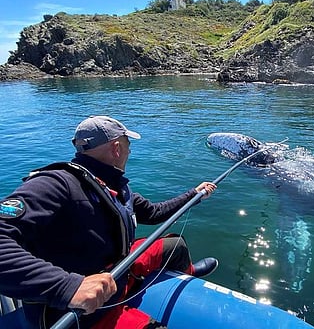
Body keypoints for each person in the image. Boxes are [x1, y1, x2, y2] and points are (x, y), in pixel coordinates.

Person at [0, 115, 218, 328]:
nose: (130, 150)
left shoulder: (115, 186)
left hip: (118, 272)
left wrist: (194, 194)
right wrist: (66, 287)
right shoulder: (55, 184)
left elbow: (154, 213)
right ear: (116, 148)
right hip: (84, 312)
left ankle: (185, 277)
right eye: (128, 144)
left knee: (175, 246)